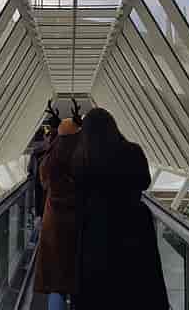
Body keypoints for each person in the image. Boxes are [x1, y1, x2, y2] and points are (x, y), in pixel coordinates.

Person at [72, 108, 168, 309]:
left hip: (96, 230)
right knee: (137, 286)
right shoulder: (132, 151)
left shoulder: (82, 157)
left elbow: (79, 193)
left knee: (99, 290)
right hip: (133, 225)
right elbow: (144, 181)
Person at [34, 117, 81, 310]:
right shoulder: (84, 157)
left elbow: (43, 183)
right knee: (78, 277)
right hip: (79, 223)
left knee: (56, 280)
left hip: (54, 223)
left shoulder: (50, 160)